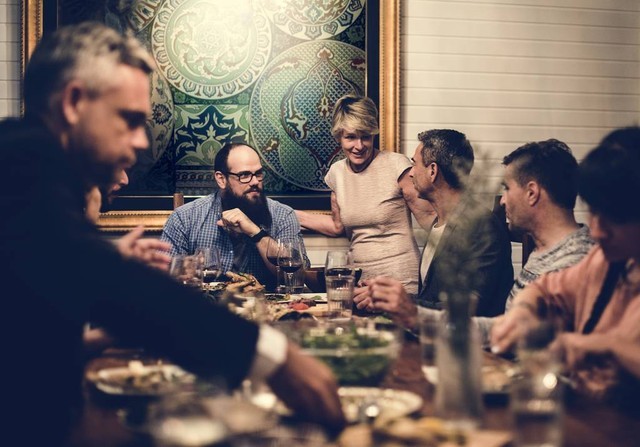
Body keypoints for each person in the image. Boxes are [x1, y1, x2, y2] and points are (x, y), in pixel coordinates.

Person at [1, 22, 343, 446]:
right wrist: (273, 357)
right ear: (73, 103)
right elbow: (123, 291)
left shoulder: (38, 173)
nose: (140, 142)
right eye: (129, 120)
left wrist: (108, 263)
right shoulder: (19, 166)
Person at [491, 127, 640, 403]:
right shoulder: (608, 260)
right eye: (593, 211)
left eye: (614, 217)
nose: (597, 231)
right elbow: (544, 288)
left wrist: (608, 346)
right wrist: (523, 310)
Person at [368, 129, 513, 326]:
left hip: (473, 344)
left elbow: (466, 311)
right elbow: (432, 299)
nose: (411, 172)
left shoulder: (482, 227)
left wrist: (402, 303)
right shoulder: (439, 223)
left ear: (432, 171)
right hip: (433, 337)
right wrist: (385, 298)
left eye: (415, 164)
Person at [296, 95, 435, 296]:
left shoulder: (397, 165)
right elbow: (337, 226)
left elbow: (430, 218)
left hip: (400, 281)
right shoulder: (336, 173)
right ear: (339, 137)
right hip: (360, 282)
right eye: (351, 137)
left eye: (366, 136)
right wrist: (288, 214)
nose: (359, 146)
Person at [473, 139, 595, 343]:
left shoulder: (574, 263)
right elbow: (508, 326)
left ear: (531, 193)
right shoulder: (544, 251)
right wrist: (424, 319)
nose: (502, 200)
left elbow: (520, 340)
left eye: (507, 188)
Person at [161, 142, 309, 290]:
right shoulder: (185, 218)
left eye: (258, 173)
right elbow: (161, 280)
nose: (255, 181)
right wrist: (187, 271)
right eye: (244, 175)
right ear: (221, 179)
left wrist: (255, 233)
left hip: (266, 303)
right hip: (206, 303)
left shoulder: (283, 215)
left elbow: (297, 278)